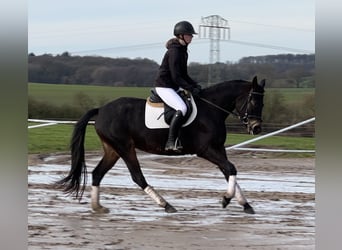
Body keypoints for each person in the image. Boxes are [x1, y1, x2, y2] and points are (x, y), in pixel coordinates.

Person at [155, 20, 202, 152]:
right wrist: (190, 88)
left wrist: (195, 85)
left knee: (191, 103)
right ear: (181, 35)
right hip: (164, 86)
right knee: (182, 108)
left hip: (173, 86)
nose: (191, 37)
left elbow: (184, 74)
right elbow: (176, 77)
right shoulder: (175, 51)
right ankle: (170, 142)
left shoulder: (183, 50)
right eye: (189, 35)